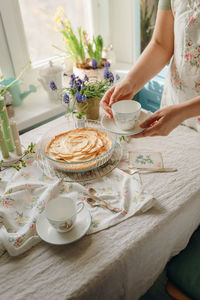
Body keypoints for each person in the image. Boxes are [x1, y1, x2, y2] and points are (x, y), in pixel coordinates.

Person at [101, 0, 200, 137]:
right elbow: (161, 44)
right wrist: (130, 82)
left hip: (178, 114)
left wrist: (182, 112)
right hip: (173, 110)